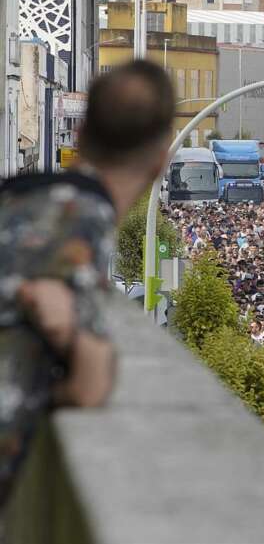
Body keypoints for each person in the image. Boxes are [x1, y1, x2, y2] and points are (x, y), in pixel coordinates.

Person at [0, 61, 175, 506]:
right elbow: (89, 382)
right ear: (160, 163)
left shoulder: (22, 197)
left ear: (80, 139)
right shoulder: (80, 213)